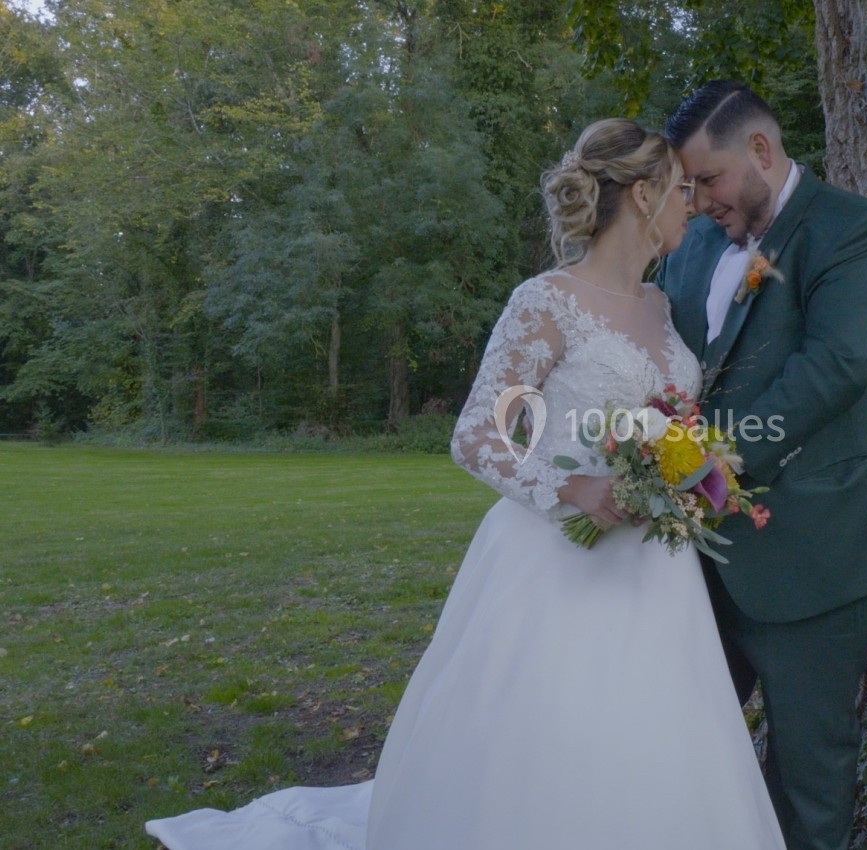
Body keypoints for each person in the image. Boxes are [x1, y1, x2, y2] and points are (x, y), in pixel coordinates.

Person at [144, 118, 786, 850]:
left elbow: (671, 415)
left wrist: (686, 465)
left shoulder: (661, 306)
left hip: (656, 569)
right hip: (559, 561)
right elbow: (479, 432)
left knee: (655, 736)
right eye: (677, 191)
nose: (690, 206)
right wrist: (569, 490)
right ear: (642, 196)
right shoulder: (546, 303)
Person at [658, 81, 867, 850]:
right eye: (688, 186)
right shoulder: (697, 241)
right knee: (679, 746)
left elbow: (832, 370)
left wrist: (706, 468)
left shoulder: (856, 232)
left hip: (817, 543)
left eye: (707, 179)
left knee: (808, 767)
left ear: (762, 152)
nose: (698, 199)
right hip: (692, 553)